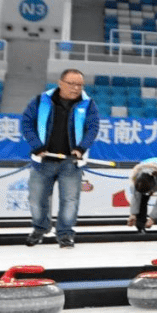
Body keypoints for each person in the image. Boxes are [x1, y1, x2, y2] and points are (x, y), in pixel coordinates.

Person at [20, 68, 100, 248]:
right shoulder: (41, 101)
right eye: (71, 84)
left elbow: (92, 128)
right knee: (36, 199)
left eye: (79, 84)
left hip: (71, 162)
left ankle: (65, 234)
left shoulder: (88, 104)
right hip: (43, 161)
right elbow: (26, 123)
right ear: (60, 83)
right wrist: (36, 145)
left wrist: (81, 147)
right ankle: (40, 228)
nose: (76, 88)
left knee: (70, 201)